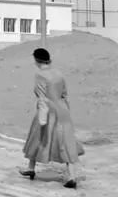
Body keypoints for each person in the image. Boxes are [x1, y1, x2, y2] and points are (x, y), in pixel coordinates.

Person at [19, 47, 84, 189]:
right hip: (62, 109)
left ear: (37, 60)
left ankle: (31, 168)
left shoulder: (40, 75)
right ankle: (72, 176)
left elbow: (42, 97)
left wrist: (42, 119)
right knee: (65, 141)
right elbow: (64, 94)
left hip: (48, 110)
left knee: (37, 138)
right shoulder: (59, 73)